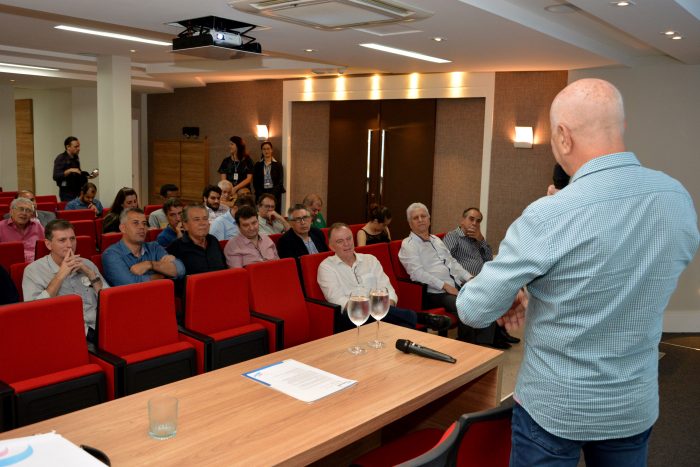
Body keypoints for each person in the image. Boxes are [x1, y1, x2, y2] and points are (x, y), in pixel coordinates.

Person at [457, 78, 698, 466]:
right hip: (631, 404)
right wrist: (541, 284)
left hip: (555, 408)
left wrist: (517, 287)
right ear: (621, 126)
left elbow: (474, 309)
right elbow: (635, 274)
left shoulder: (548, 215)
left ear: (563, 137)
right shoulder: (676, 198)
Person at [399, 202, 504, 347]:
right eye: (416, 218)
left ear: (429, 219)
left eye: (423, 216)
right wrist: (445, 286)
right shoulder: (408, 244)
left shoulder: (436, 240)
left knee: (485, 297)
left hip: (454, 286)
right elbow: (417, 273)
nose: (421, 220)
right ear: (410, 223)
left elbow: (452, 263)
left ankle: (483, 345)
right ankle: (466, 346)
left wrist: (469, 278)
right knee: (466, 305)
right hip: (434, 292)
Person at [319, 223, 451, 333]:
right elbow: (337, 299)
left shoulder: (370, 260)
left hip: (380, 312)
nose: (346, 244)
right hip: (350, 317)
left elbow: (386, 288)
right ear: (331, 246)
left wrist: (388, 306)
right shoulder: (326, 267)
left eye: (349, 239)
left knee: (400, 325)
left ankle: (408, 329)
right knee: (399, 323)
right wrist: (368, 308)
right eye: (340, 241)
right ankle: (420, 318)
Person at [443, 207, 519, 345]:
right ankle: (486, 341)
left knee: (507, 291)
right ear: (462, 220)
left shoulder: (476, 238)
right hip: (464, 282)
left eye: (478, 221)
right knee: (488, 297)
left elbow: (488, 259)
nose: (474, 223)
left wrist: (481, 240)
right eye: (471, 219)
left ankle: (498, 334)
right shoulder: (453, 236)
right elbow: (445, 260)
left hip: (481, 279)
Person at [22, 219, 107, 341]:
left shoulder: (87, 264)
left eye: (72, 239)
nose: (70, 245)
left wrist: (91, 275)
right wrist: (60, 275)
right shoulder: (33, 270)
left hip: (100, 326)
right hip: (65, 333)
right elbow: (34, 312)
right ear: (48, 244)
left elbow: (109, 300)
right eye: (62, 240)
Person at [102, 208, 185, 286]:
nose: (142, 227)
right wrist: (163, 275)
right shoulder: (111, 254)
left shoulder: (154, 247)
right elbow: (129, 283)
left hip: (161, 295)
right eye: (135, 223)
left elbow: (180, 270)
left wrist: (150, 264)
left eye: (144, 223)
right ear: (123, 228)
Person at [167, 204, 227, 276]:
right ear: (185, 225)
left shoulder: (213, 240)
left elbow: (225, 269)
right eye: (197, 219)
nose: (203, 223)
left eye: (205, 218)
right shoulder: (175, 248)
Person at [52, 136, 97, 202]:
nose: (79, 149)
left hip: (78, 191)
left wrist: (88, 176)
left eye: (79, 146)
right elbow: (56, 176)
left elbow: (77, 172)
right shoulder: (61, 158)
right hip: (67, 193)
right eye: (76, 147)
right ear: (68, 147)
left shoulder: (75, 157)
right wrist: (69, 170)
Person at [0, 197, 45, 263]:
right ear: (11, 211)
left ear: (31, 214)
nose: (24, 213)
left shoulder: (37, 226)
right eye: (21, 209)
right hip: (10, 265)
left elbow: (48, 246)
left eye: (28, 210)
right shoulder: (1, 227)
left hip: (37, 264)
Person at [253, 141, 285, 210]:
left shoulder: (278, 165)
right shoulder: (257, 165)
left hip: (275, 196)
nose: (266, 151)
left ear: (271, 150)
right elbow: (255, 183)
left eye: (268, 149)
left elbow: (280, 182)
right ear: (262, 151)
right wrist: (263, 196)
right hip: (261, 195)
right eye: (264, 149)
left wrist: (271, 196)